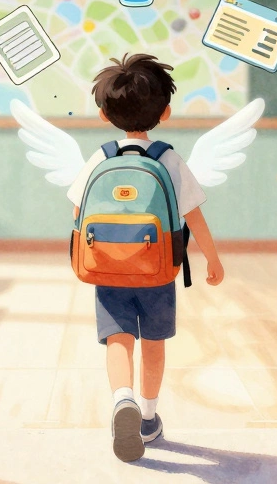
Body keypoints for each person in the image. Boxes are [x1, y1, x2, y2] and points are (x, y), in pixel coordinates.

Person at [66, 53, 226, 462]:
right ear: (165, 111)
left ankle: (122, 399)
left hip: (108, 269)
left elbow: (77, 215)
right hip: (157, 272)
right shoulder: (168, 159)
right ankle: (149, 417)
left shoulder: (100, 158)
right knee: (153, 342)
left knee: (118, 339)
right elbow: (194, 215)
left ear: (105, 114)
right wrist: (212, 259)